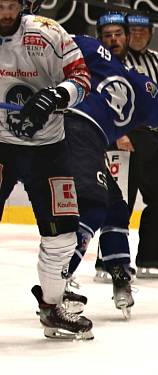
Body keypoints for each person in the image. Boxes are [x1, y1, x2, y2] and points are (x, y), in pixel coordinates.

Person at [59, 14, 158, 318]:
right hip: (71, 135)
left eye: (119, 34)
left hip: (84, 142)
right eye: (108, 34)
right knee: (93, 203)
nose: (113, 39)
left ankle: (118, 270)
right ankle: (59, 281)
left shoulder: (133, 74)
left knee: (114, 205)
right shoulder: (107, 64)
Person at [0, 0, 92, 339]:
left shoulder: (48, 33)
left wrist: (56, 96)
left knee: (63, 235)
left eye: (11, 6)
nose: (5, 13)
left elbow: (82, 79)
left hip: (48, 149)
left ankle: (52, 307)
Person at [114, 12, 158, 279]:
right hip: (126, 137)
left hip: (152, 139)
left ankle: (150, 256)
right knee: (120, 201)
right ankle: (110, 261)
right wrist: (118, 133)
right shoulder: (116, 59)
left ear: (152, 32)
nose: (139, 34)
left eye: (144, 30)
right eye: (134, 30)